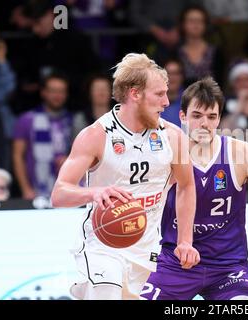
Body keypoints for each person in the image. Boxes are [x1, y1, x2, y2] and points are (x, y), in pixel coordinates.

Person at [50, 53, 199, 300]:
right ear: (135, 94)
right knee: (107, 290)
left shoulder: (173, 137)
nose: (166, 102)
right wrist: (94, 192)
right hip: (102, 245)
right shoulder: (96, 135)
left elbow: (186, 185)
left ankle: (86, 290)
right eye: (159, 94)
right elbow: (59, 194)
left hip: (145, 251)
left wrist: (185, 240)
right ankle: (92, 285)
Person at [140, 77, 248, 300]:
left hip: (228, 268)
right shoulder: (165, 155)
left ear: (219, 119)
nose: (204, 123)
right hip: (175, 261)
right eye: (197, 116)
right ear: (182, 116)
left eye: (211, 116)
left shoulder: (242, 154)